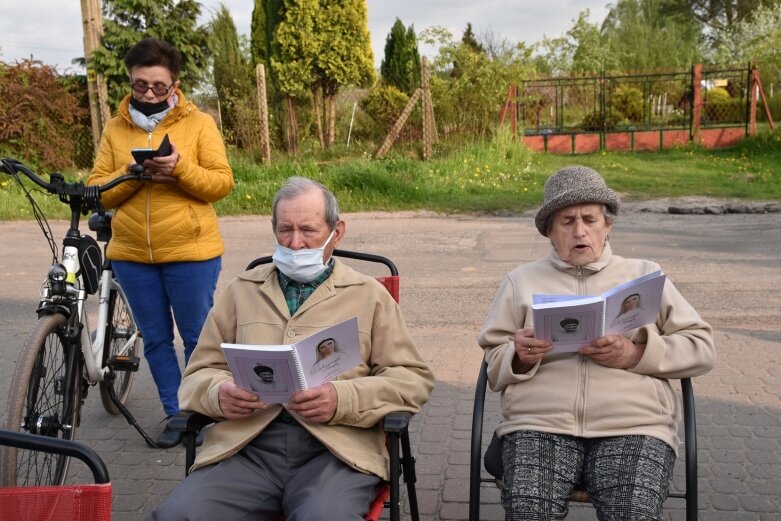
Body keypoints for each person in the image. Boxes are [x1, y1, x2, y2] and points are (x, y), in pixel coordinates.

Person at [149, 176, 434, 520]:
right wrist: (218, 393)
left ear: (337, 232)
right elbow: (198, 373)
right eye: (285, 230)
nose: (296, 243)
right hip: (247, 447)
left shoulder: (370, 295)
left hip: (337, 449)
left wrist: (342, 399)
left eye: (308, 230)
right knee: (179, 515)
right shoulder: (242, 291)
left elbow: (412, 379)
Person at [478, 166, 715, 521]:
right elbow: (493, 364)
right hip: (540, 423)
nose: (580, 231)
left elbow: (701, 347)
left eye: (590, 219)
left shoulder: (644, 275)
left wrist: (635, 354)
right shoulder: (520, 281)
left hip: (633, 425)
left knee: (632, 512)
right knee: (528, 512)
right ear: (549, 232)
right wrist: (519, 358)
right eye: (567, 221)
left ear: (608, 226)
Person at [88, 38, 234, 448]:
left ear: (175, 85)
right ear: (130, 81)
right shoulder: (116, 128)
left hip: (191, 252)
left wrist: (181, 169)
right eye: (140, 85)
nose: (148, 93)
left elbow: (221, 183)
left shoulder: (200, 123)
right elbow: (97, 190)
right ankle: (177, 413)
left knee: (196, 337)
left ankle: (206, 411)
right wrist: (132, 173)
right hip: (132, 254)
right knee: (154, 339)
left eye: (158, 86)